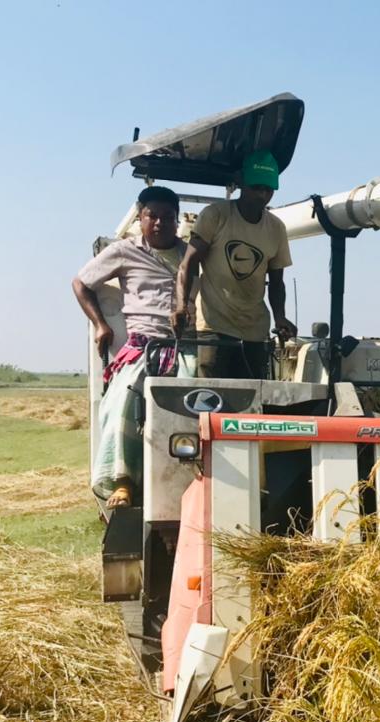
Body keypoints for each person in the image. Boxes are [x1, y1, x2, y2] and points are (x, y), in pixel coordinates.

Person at [73, 186, 186, 509]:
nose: (161, 223)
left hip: (186, 346)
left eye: (168, 217)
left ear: (177, 221)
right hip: (143, 346)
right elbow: (81, 283)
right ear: (141, 218)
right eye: (154, 216)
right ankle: (122, 483)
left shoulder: (190, 255)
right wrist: (101, 325)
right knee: (122, 401)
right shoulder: (125, 251)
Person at [172, 150, 296, 378]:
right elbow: (187, 265)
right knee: (212, 396)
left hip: (254, 328)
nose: (262, 195)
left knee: (252, 398)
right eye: (256, 187)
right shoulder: (215, 216)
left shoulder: (276, 228)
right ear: (241, 183)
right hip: (215, 324)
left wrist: (280, 317)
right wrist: (181, 307)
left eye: (268, 189)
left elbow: (277, 282)